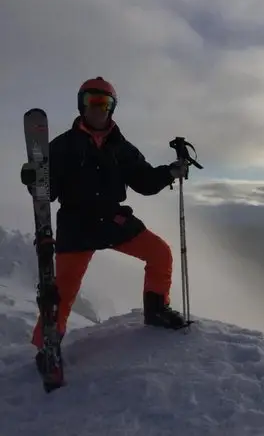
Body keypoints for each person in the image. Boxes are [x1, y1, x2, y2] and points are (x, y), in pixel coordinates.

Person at [21, 76, 189, 365]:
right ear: (81, 105)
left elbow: (145, 181)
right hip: (77, 224)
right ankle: (46, 346)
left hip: (112, 219)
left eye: (104, 102)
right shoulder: (63, 147)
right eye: (92, 101)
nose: (98, 108)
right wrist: (34, 180)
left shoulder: (121, 148)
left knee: (160, 253)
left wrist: (170, 172)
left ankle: (156, 309)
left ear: (112, 108)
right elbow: (48, 193)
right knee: (62, 290)